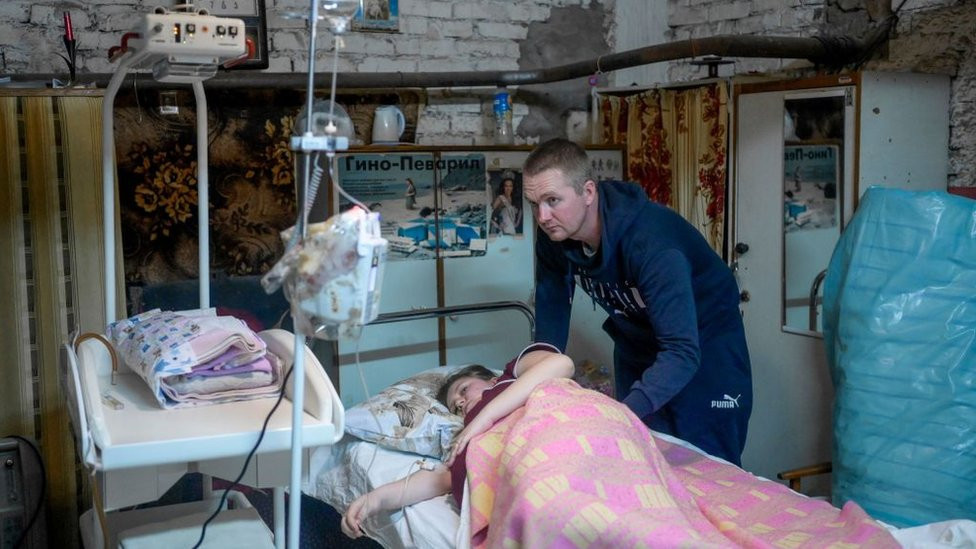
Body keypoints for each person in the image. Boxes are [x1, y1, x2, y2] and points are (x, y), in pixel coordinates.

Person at [523, 138, 752, 466]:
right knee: (637, 463)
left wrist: (619, 415)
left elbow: (682, 352)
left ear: (588, 192)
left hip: (704, 353)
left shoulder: (653, 245)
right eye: (534, 203)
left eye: (552, 200)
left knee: (708, 472)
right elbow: (551, 319)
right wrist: (529, 387)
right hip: (637, 346)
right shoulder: (555, 238)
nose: (543, 216)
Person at [340, 343, 570, 539]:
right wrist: (373, 501)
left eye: (463, 390)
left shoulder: (509, 379)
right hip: (522, 482)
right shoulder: (464, 435)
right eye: (454, 406)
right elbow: (441, 478)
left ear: (492, 380)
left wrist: (486, 417)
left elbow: (562, 364)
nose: (460, 402)